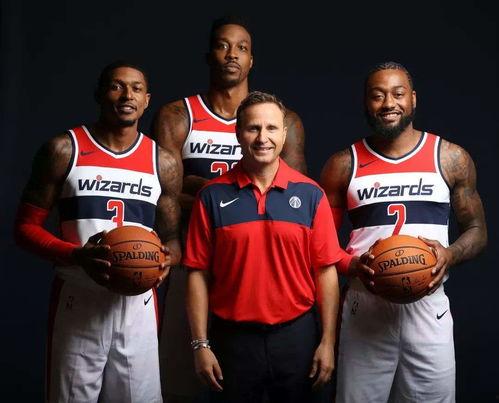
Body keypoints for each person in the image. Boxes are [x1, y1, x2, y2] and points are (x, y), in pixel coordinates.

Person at [151, 16, 307, 402]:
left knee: (253, 376)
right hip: (194, 258)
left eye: (241, 48)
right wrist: (222, 200)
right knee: (183, 378)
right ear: (209, 55)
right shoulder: (178, 115)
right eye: (223, 45)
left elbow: (295, 201)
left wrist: (202, 187)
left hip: (258, 261)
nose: (231, 54)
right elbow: (161, 194)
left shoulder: (282, 120)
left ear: (252, 60)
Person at [14, 61, 182, 403]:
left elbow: (173, 241)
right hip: (79, 298)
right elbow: (24, 227)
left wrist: (166, 262)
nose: (127, 95)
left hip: (138, 305)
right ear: (100, 94)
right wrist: (75, 255)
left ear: (147, 100)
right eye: (117, 86)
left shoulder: (162, 162)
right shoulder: (65, 150)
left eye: (136, 89)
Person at [320, 61, 487, 402]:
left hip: (428, 306)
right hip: (365, 305)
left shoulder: (450, 158)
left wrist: (450, 254)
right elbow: (321, 245)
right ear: (366, 102)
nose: (388, 103)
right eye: (378, 95)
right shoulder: (343, 164)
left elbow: (477, 230)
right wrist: (352, 265)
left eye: (397, 94)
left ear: (413, 99)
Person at [184, 91, 342, 403]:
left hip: (297, 338)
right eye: (253, 128)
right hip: (232, 340)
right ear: (238, 133)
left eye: (271, 128)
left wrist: (327, 341)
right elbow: (197, 274)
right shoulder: (211, 196)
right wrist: (200, 345)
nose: (262, 138)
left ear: (284, 133)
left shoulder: (311, 195)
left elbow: (326, 272)